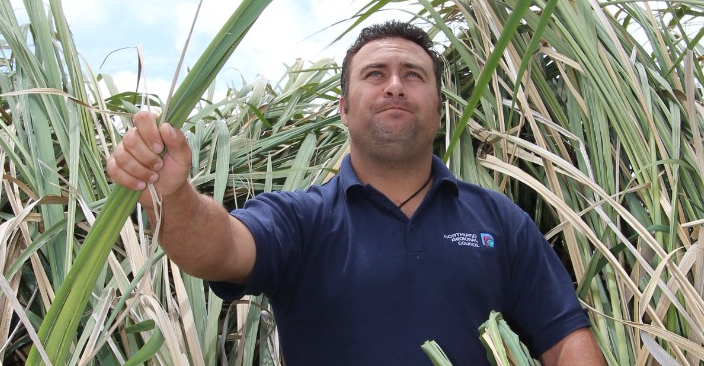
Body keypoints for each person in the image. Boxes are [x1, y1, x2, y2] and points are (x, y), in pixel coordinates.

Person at [107, 21, 606, 365]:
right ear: (344, 108)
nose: (394, 86)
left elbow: (564, 339)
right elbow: (218, 249)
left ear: (437, 110)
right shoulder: (301, 220)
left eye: (413, 75)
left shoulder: (498, 220)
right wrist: (175, 197)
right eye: (375, 75)